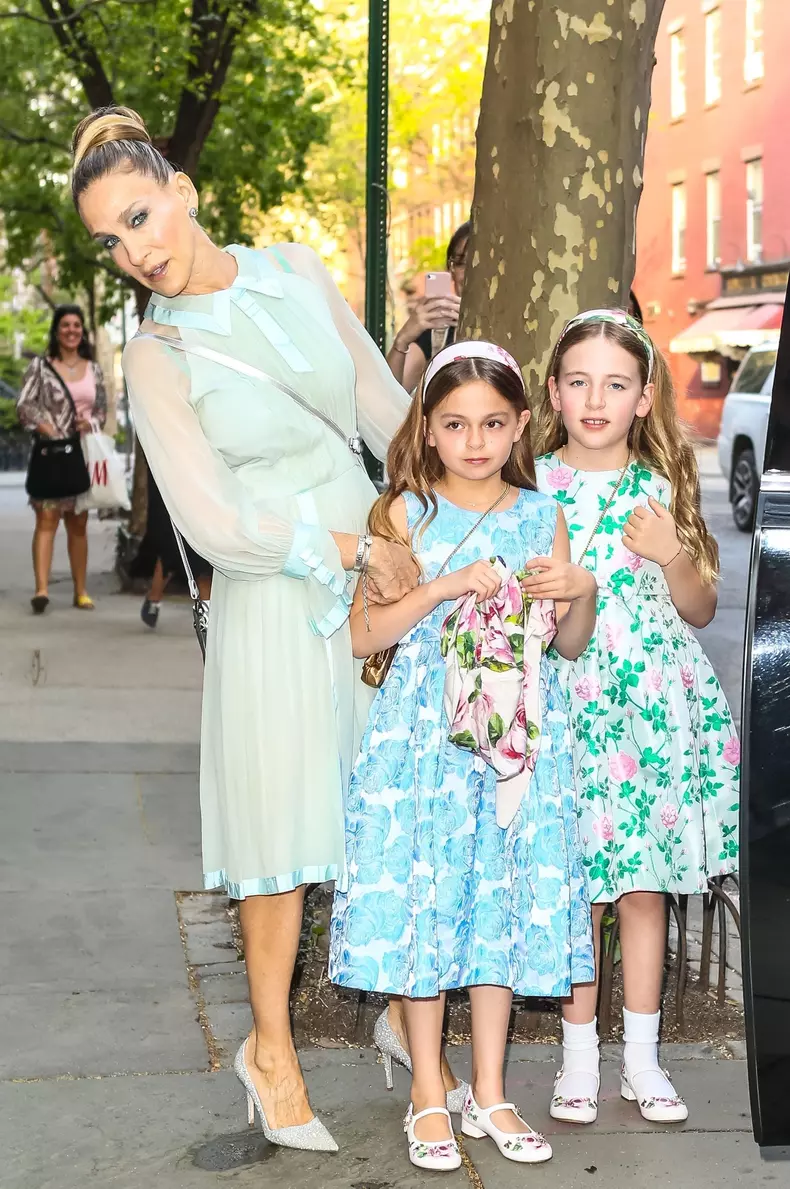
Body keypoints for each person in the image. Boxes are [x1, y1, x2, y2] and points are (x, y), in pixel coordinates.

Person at [68, 102, 463, 1154]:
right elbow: (213, 521)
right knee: (284, 837)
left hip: (378, 578)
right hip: (283, 595)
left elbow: (388, 415)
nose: (137, 250)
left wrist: (461, 488)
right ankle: (272, 1051)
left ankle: (396, 1015)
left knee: (383, 804)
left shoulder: (292, 267)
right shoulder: (155, 358)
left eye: (142, 215)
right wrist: (346, 548)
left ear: (185, 191)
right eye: (112, 240)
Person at [330, 340, 597, 1171]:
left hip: (511, 745)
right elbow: (364, 635)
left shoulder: (538, 513)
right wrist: (440, 587)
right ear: (430, 428)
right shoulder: (405, 514)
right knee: (425, 902)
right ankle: (426, 1094)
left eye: (491, 422)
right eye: (455, 423)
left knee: (497, 908)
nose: (475, 440)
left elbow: (567, 647)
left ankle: (491, 1087)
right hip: (421, 745)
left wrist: (579, 590)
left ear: (521, 423)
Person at [532, 309, 740, 1126]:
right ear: (553, 391)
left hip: (649, 714)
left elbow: (700, 606)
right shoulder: (533, 487)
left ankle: (643, 1060)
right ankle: (577, 1059)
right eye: (578, 381)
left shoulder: (659, 491)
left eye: (615, 384)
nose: (595, 398)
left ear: (644, 398)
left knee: (643, 891)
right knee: (582, 888)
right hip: (568, 710)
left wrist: (672, 552)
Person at [17, 305, 108, 613]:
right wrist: (44, 425)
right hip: (50, 453)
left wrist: (90, 422)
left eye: (77, 326)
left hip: (81, 453)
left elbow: (102, 410)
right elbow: (24, 405)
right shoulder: (40, 367)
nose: (72, 330)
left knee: (78, 524)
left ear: (83, 331)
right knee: (47, 519)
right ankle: (41, 590)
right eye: (66, 325)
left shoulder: (93, 369)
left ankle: (80, 592)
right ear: (56, 330)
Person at [386, 222, 469, 392]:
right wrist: (402, 340)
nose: (470, 271)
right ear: (451, 270)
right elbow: (389, 395)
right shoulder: (437, 329)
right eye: (461, 262)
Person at [140, 465, 212, 629]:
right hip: (175, 469)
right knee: (176, 539)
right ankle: (206, 615)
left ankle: (154, 598)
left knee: (189, 541)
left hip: (194, 470)